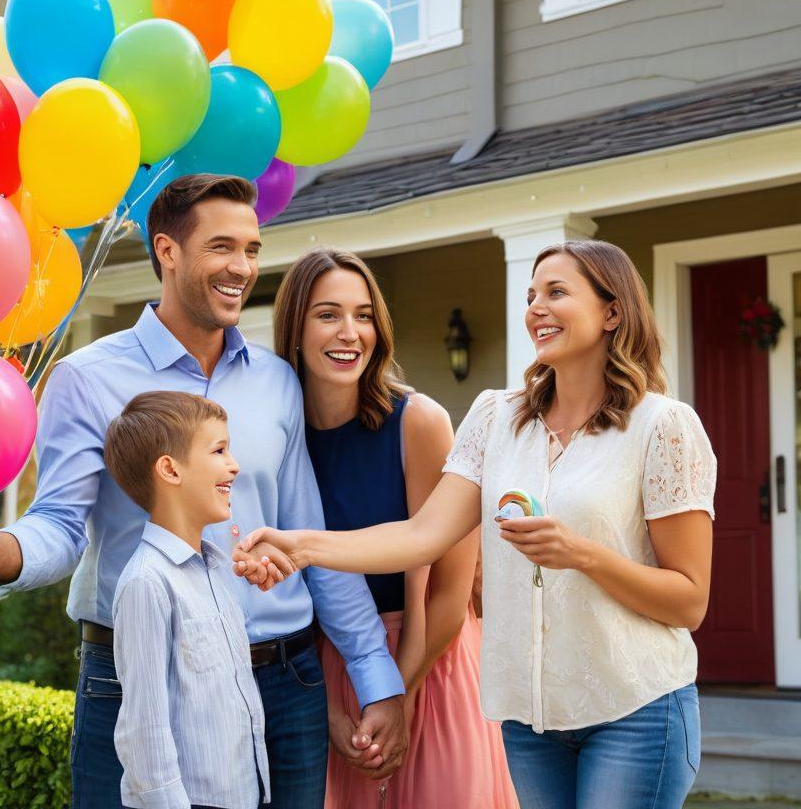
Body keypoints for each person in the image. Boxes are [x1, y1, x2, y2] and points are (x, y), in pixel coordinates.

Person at [0, 174, 407, 808]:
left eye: (252, 249)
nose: (242, 267)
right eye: (221, 247)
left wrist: (376, 678)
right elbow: (60, 525)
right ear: (167, 251)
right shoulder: (85, 379)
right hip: (135, 680)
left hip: (283, 688)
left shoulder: (278, 381)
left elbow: (312, 541)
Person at [236, 239, 716, 809]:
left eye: (556, 292)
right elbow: (421, 535)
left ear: (612, 312)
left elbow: (689, 602)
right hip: (531, 722)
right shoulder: (496, 419)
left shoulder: (663, 426)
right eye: (531, 295)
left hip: (635, 709)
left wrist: (582, 554)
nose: (536, 308)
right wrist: (300, 546)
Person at [273, 247, 517, 808]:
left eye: (363, 316)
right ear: (295, 329)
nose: (350, 332)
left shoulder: (419, 423)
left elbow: (451, 593)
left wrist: (394, 694)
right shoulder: (276, 436)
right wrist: (330, 711)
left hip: (430, 658)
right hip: (326, 673)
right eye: (328, 314)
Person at [105, 391, 269, 809]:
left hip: (240, 796)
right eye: (219, 450)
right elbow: (144, 730)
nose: (234, 465)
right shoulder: (147, 583)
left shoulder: (217, 569)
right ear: (170, 469)